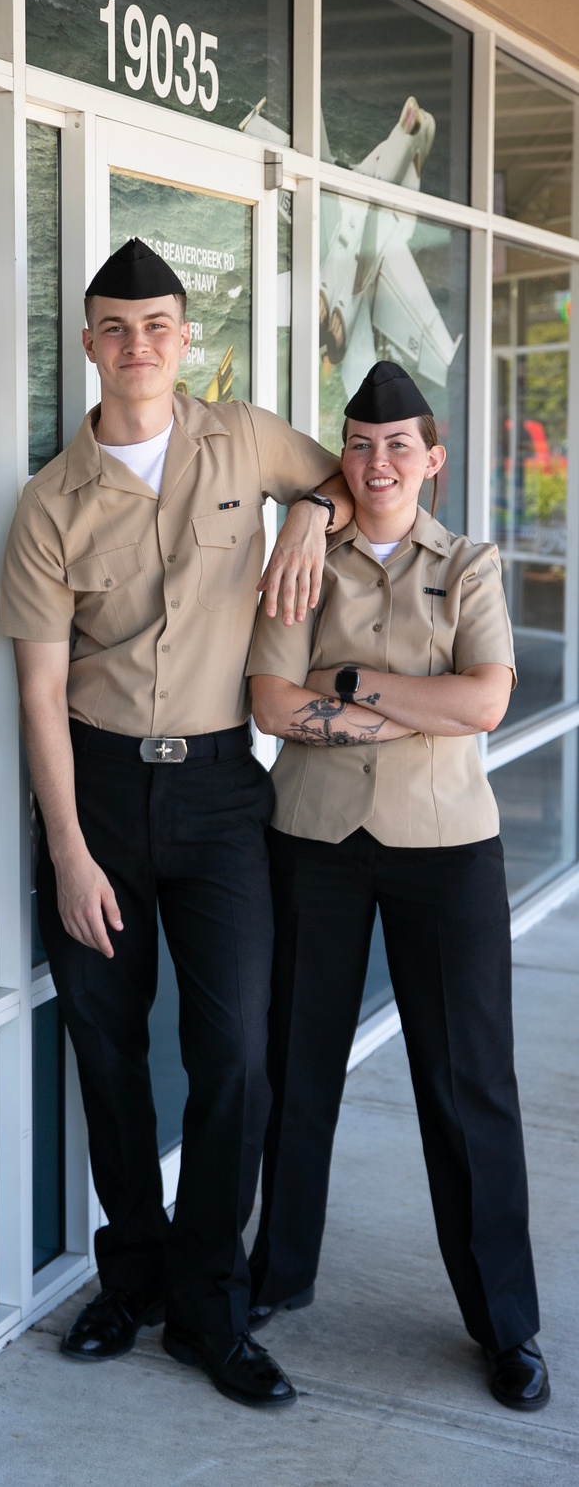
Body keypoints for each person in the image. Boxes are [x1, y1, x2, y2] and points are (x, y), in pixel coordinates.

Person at [0, 237, 350, 1407]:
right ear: (90, 343)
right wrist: (65, 852)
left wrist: (309, 516)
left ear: (184, 337)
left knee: (235, 1050)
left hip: (217, 791)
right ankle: (131, 1279)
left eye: (157, 325)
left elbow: (347, 478)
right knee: (105, 1046)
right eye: (115, 326)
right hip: (94, 790)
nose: (138, 344)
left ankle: (208, 1301)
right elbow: (40, 691)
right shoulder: (50, 502)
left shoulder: (244, 439)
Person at [245, 360, 549, 1412]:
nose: (378, 463)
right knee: (294, 1066)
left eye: (397, 445)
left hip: (445, 844)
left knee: (468, 1086)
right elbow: (273, 703)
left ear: (432, 457)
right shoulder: (303, 556)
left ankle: (504, 1321)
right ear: (346, 453)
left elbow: (483, 702)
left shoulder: (469, 562)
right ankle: (276, 1275)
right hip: (313, 836)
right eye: (360, 444)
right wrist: (405, 706)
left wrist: (351, 685)